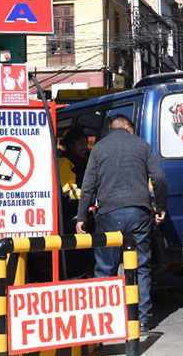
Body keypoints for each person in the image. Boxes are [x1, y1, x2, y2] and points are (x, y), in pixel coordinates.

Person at [75, 115, 167, 330]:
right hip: (139, 213)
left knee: (105, 266)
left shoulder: (98, 149)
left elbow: (88, 185)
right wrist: (160, 206)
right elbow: (159, 178)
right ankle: (143, 318)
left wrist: (81, 218)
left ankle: (104, 320)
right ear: (127, 127)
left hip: (109, 214)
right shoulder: (142, 145)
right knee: (140, 266)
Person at [56, 128, 92, 278]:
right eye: (81, 144)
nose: (85, 147)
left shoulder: (84, 160)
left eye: (86, 144)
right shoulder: (65, 161)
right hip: (71, 213)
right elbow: (68, 189)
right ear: (71, 145)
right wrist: (87, 199)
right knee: (74, 251)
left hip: (84, 210)